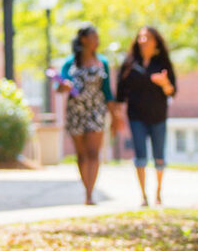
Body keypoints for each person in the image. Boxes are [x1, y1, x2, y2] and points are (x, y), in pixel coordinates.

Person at [57, 24, 121, 205]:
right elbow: (59, 86)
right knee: (81, 154)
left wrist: (115, 116)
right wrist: (64, 86)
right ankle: (86, 189)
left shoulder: (102, 63)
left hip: (96, 111)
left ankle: (90, 194)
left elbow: (107, 92)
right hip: (76, 111)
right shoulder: (69, 63)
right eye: (94, 37)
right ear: (84, 39)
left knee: (93, 152)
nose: (97, 41)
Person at [116, 26, 176, 207]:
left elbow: (172, 91)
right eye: (141, 37)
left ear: (155, 41)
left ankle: (158, 192)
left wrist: (164, 83)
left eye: (147, 37)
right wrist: (117, 115)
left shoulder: (163, 63)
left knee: (159, 155)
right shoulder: (130, 63)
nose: (143, 41)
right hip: (136, 116)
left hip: (158, 116)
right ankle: (143, 195)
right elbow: (120, 93)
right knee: (140, 155)